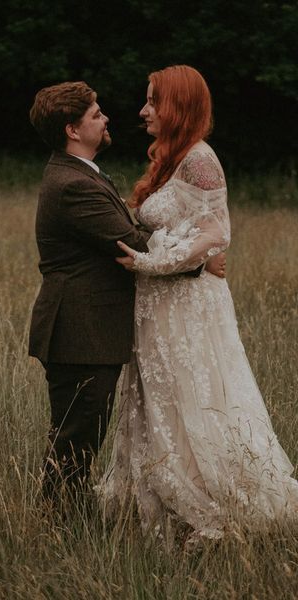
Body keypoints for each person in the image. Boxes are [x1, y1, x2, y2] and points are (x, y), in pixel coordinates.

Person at [98, 65, 298, 540]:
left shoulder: (201, 159)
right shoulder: (172, 158)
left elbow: (215, 235)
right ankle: (159, 502)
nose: (143, 110)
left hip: (187, 304)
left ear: (178, 106)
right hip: (157, 304)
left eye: (152, 101)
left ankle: (208, 506)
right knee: (158, 399)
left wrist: (149, 263)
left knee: (192, 398)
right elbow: (166, 227)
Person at [28, 80, 225, 500]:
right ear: (72, 130)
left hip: (86, 330)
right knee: (76, 438)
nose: (107, 118)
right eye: (96, 114)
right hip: (80, 330)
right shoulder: (73, 184)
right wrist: (201, 259)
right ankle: (58, 523)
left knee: (81, 433)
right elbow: (133, 243)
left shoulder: (79, 174)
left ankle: (64, 517)